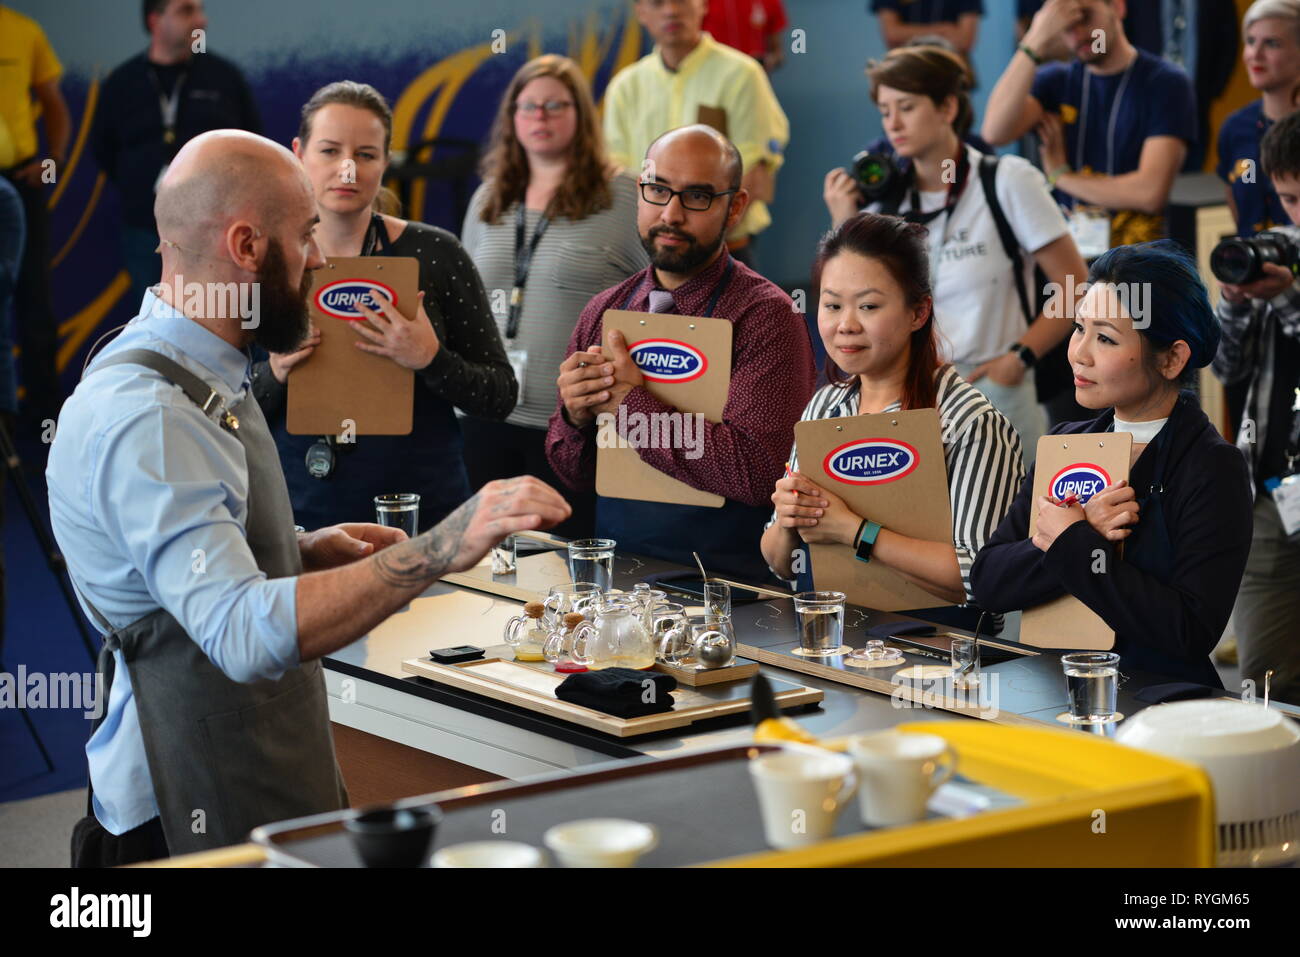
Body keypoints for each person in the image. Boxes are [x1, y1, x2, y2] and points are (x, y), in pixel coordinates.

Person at [46, 129, 570, 865]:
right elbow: (235, 630)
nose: (321, 259)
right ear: (246, 246)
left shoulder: (204, 362)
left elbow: (170, 568)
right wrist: (442, 546)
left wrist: (294, 550)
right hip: (175, 818)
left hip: (247, 774)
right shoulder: (150, 414)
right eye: (305, 236)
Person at [972, 242, 1254, 687]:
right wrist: (1077, 536)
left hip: (1153, 708)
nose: (1078, 353)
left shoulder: (1211, 465)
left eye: (1104, 337)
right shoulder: (1067, 443)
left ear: (1172, 358)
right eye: (1078, 328)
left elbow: (1189, 631)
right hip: (1050, 691)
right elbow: (989, 582)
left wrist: (1073, 542)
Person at [546, 125, 815, 583]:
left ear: (736, 208)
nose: (671, 213)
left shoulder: (766, 317)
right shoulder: (605, 310)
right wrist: (575, 417)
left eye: (697, 197)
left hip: (726, 589)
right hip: (617, 575)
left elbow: (757, 472)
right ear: (640, 191)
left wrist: (629, 407)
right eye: (658, 191)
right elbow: (572, 474)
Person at [252, 81, 516, 533]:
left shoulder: (435, 253)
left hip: (422, 515)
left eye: (367, 155)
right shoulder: (263, 259)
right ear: (299, 153)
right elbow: (221, 412)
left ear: (387, 161)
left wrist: (431, 359)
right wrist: (275, 372)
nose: (348, 170)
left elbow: (499, 396)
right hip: (300, 512)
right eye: (330, 151)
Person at [824, 46, 1089, 466]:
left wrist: (1020, 356)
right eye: (885, 110)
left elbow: (1075, 285)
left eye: (906, 107)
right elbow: (851, 303)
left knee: (1010, 524)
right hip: (912, 391)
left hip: (996, 385)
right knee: (922, 524)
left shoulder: (1007, 181)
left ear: (948, 106)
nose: (892, 123)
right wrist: (844, 220)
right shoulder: (883, 201)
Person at [761, 213, 1024, 628]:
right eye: (832, 305)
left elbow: (978, 579)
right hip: (831, 638)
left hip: (938, 656)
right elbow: (782, 566)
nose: (845, 325)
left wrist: (856, 531)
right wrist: (788, 520)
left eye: (868, 306)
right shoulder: (824, 407)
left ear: (918, 312)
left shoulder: (970, 421)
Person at [461, 55, 648, 539]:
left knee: (566, 570)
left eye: (554, 105)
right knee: (485, 565)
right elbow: (463, 300)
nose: (539, 116)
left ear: (581, 117)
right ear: (511, 119)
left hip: (569, 423)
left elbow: (660, 298)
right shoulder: (488, 198)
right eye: (528, 106)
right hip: (483, 416)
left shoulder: (623, 195)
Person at [982, 0, 1197, 248]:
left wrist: (1061, 177)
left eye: (1085, 17)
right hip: (1071, 258)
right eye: (1065, 25)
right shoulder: (1056, 81)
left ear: (1117, 7)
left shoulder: (1165, 82)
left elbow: (1149, 193)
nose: (1078, 34)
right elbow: (994, 132)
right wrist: (1034, 41)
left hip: (1138, 261)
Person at [92, 0, 261, 314]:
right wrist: (139, 187)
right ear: (155, 20)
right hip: (145, 229)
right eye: (186, 11)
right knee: (154, 319)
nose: (201, 21)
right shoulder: (122, 83)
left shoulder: (223, 78)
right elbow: (103, 149)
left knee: (218, 318)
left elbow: (252, 146)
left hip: (218, 231)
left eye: (200, 10)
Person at [1212, 109, 1300, 706]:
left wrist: (1290, 298)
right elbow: (1225, 370)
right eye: (1291, 198)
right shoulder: (1279, 251)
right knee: (1264, 689)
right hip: (1269, 492)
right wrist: (1237, 302)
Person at [602, 0, 789, 267]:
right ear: (641, 12)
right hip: (645, 255)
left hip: (724, 251)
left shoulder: (742, 74)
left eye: (680, 0)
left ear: (703, 5)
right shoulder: (625, 86)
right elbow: (619, 177)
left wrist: (693, 232)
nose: (670, 11)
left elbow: (756, 175)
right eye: (657, 3)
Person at [0, 4, 70, 427]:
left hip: (19, 182)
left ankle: (43, 424)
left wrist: (53, 161)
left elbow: (54, 104)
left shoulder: (23, 30)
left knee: (32, 297)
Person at [1219, 1, 1300, 238]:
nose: (1255, 54)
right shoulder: (1235, 127)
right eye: (1251, 41)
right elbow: (1236, 206)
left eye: (1271, 43)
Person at [871, 0, 982, 57]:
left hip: (951, 70)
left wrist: (907, 32)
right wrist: (942, 30)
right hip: (904, 69)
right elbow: (892, 34)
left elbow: (964, 41)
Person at [703, 0, 789, 72]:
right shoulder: (700, 3)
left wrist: (766, 61)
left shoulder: (770, 2)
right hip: (713, 76)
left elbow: (777, 53)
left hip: (752, 81)